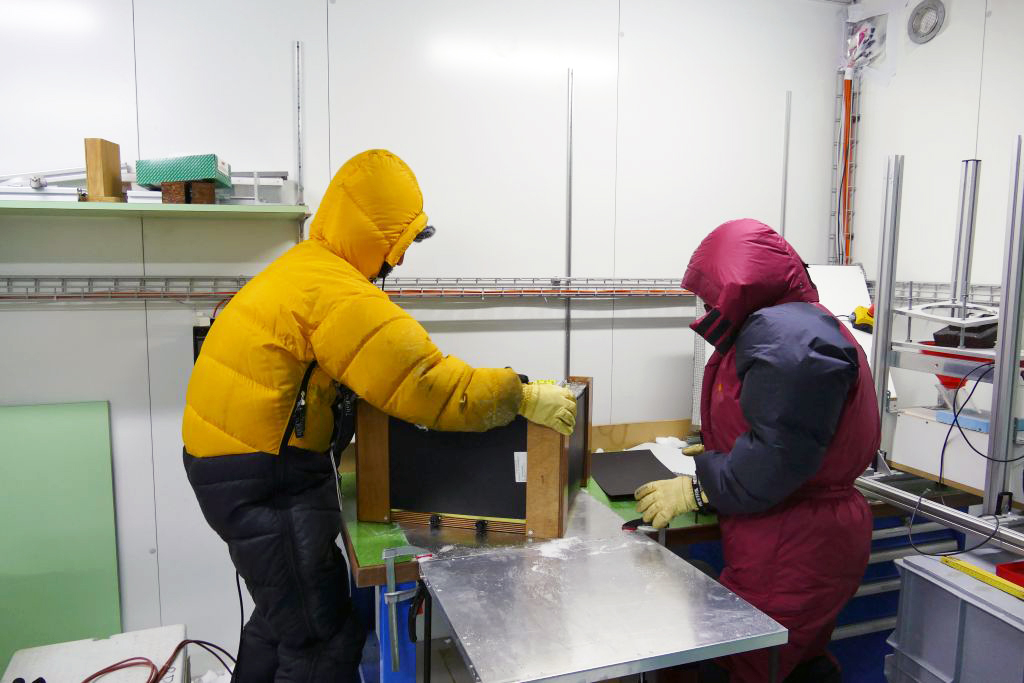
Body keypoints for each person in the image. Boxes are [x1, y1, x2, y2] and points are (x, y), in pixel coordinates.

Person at [181, 149, 577, 682]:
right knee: (321, 639)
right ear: (376, 234)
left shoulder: (307, 267)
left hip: (234, 464)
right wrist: (519, 395)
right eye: (402, 244)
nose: (402, 261)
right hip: (266, 477)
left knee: (283, 620)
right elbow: (427, 385)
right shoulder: (337, 291)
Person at [634, 219, 879, 683]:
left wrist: (700, 490)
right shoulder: (787, 325)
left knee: (758, 662)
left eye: (711, 295)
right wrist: (722, 449)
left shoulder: (787, 335)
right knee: (781, 661)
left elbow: (779, 457)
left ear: (737, 286)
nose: (708, 306)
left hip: (792, 538)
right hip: (790, 527)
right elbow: (781, 425)